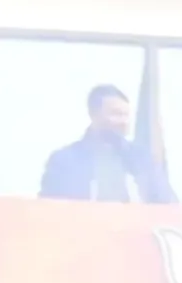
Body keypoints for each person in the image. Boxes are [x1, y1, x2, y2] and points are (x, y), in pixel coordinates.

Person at [38, 81, 174, 203]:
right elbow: (48, 210)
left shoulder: (142, 159)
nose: (124, 122)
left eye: (126, 115)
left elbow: (168, 204)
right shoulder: (64, 161)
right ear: (93, 114)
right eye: (116, 114)